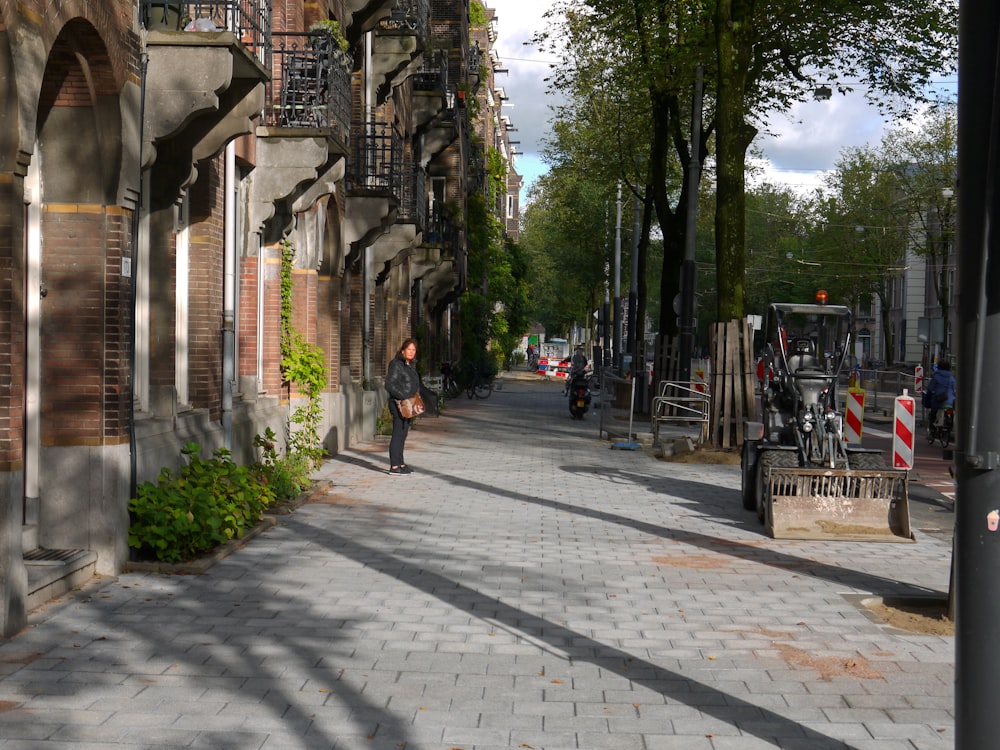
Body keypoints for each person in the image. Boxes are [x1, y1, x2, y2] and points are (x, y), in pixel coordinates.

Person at [384, 338, 421, 475]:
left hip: (408, 405)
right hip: (398, 404)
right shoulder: (396, 364)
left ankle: (401, 462)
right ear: (403, 350)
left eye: (413, 350)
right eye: (409, 349)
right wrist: (403, 396)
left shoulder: (408, 365)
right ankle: (394, 466)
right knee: (398, 434)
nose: (411, 352)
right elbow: (389, 384)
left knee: (403, 434)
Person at [924, 360, 956, 427]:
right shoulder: (952, 378)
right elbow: (954, 389)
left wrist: (927, 397)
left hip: (938, 400)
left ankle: (932, 426)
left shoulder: (936, 377)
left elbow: (930, 389)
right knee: (952, 411)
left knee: (933, 412)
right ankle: (951, 424)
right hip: (950, 401)